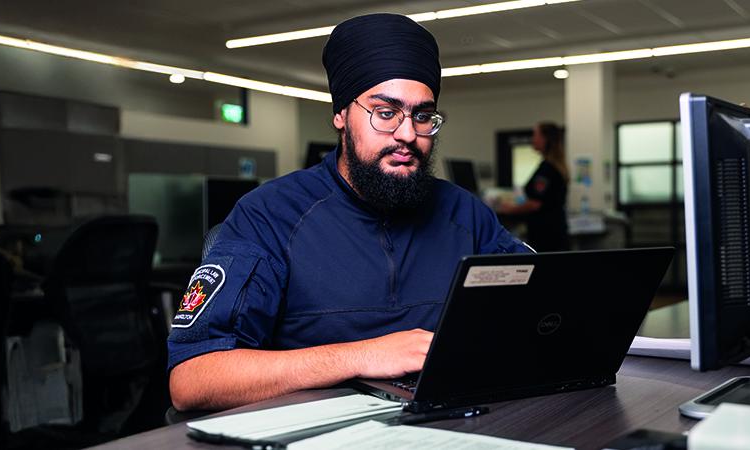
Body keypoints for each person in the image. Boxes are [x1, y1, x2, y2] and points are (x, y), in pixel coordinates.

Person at [166, 13, 531, 411]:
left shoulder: (464, 213)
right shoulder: (269, 216)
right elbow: (193, 379)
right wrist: (364, 356)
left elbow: (541, 312)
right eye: (385, 112)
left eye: (422, 116)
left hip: (457, 422)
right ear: (341, 114)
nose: (407, 134)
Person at [496, 122, 570, 252]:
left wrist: (510, 209)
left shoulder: (547, 169)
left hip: (547, 234)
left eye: (535, 135)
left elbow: (535, 203)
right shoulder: (554, 166)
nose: (533, 139)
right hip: (553, 230)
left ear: (545, 139)